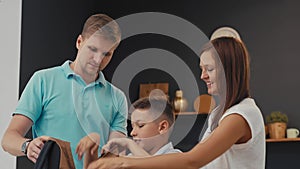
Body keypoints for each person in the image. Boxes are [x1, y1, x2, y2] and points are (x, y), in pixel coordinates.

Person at [86, 37, 266, 169]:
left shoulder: (242, 115)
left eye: (209, 69)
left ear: (228, 69)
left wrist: (123, 162)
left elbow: (192, 161)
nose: (202, 76)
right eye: (201, 69)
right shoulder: (219, 114)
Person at [1, 13, 128, 169]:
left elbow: (115, 156)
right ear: (79, 42)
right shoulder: (43, 80)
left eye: (106, 54)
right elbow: (8, 139)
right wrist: (27, 146)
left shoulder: (117, 97)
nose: (98, 60)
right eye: (93, 49)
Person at [77, 95, 182, 167]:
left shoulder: (177, 159)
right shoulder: (130, 158)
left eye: (140, 125)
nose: (132, 133)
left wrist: (129, 143)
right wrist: (92, 149)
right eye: (132, 126)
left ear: (162, 127)